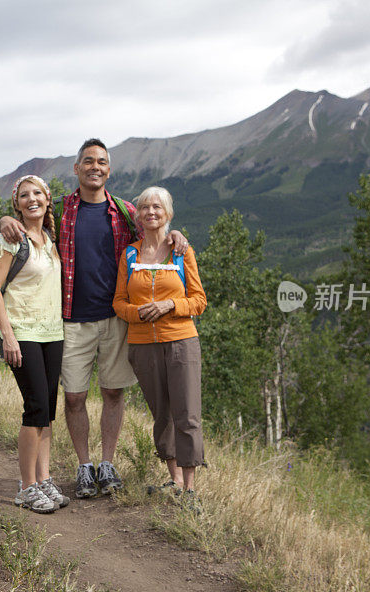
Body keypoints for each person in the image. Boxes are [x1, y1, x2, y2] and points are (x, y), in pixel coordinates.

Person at [0, 139, 188, 498]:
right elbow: (30, 214)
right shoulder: (62, 211)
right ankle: (84, 466)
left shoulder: (124, 211)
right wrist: (6, 218)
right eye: (88, 161)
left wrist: (175, 234)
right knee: (73, 397)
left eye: (101, 162)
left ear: (109, 170)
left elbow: (155, 231)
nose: (94, 167)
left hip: (116, 317)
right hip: (70, 319)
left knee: (113, 392)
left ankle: (108, 463)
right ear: (77, 169)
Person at [112, 186, 206, 504]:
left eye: (158, 207)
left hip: (181, 342)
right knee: (162, 414)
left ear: (168, 213)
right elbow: (119, 302)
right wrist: (136, 313)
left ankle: (190, 488)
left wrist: (169, 306)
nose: (151, 212)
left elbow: (199, 301)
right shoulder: (130, 254)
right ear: (138, 215)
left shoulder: (181, 251)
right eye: (145, 208)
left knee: (187, 413)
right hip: (142, 345)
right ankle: (174, 479)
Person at [0, 174, 69, 513]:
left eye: (37, 193)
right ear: (17, 204)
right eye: (23, 195)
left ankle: (44, 478)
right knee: (34, 408)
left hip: (53, 333)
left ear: (48, 199)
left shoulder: (51, 239)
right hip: (22, 333)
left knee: (47, 412)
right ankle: (26, 486)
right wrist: (8, 335)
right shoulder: (9, 240)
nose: (31, 199)